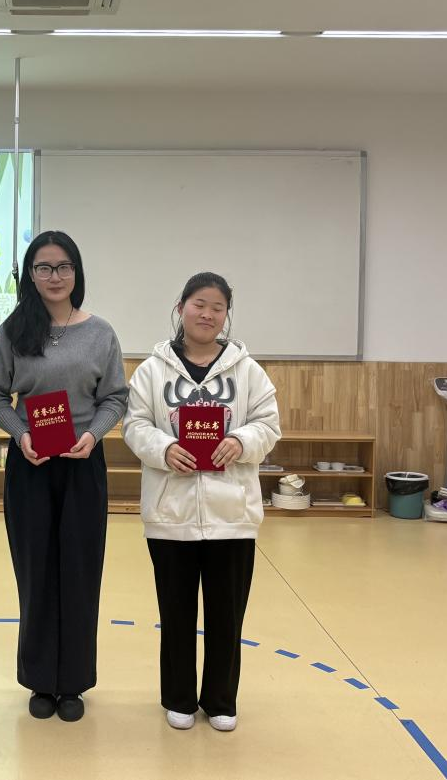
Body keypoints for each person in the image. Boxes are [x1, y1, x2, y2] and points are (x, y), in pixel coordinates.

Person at [122, 272, 281, 732]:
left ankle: (221, 700)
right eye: (199, 304)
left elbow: (268, 424)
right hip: (170, 513)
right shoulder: (152, 370)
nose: (207, 314)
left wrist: (241, 440)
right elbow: (135, 424)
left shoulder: (247, 370)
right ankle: (178, 697)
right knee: (175, 612)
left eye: (217, 307)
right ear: (181, 308)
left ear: (226, 315)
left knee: (227, 614)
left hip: (232, 514)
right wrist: (164, 448)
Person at [0, 231, 128, 723]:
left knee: (80, 573)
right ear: (30, 274)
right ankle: (40, 681)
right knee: (36, 573)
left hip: (82, 463)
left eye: (63, 266)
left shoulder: (100, 333)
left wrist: (94, 435)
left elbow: (115, 398)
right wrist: (20, 434)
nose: (54, 276)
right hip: (31, 465)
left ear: (76, 272)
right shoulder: (13, 331)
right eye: (44, 267)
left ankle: (73, 683)